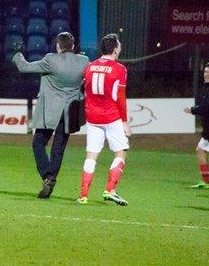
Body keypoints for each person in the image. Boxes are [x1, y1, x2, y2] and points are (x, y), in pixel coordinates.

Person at [12, 32, 89, 198]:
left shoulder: (50, 59)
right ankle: (51, 178)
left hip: (50, 111)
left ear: (58, 46)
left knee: (38, 143)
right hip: (70, 111)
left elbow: (24, 67)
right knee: (58, 149)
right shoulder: (84, 61)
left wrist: (18, 54)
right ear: (73, 46)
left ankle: (47, 176)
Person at [78, 33, 131, 206]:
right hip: (111, 116)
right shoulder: (120, 69)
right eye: (120, 45)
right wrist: (124, 122)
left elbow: (84, 90)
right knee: (121, 151)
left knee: (91, 156)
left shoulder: (89, 67)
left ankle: (83, 195)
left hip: (92, 117)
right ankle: (110, 189)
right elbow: (121, 98)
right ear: (115, 49)